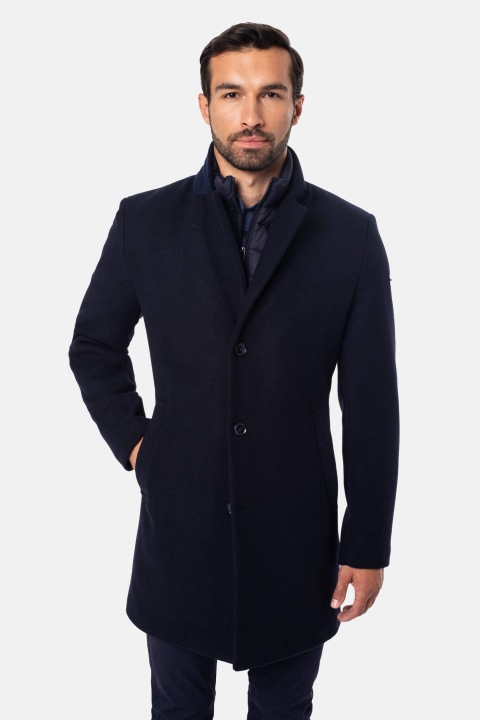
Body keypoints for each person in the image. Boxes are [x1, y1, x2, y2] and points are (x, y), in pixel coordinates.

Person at [68, 21, 400, 720]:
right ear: (204, 106)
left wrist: (368, 542)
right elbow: (94, 344)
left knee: (285, 709)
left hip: (297, 535)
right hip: (179, 524)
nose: (251, 114)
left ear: (297, 106)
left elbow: (371, 401)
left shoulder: (350, 236)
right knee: (177, 709)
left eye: (270, 94)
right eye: (231, 94)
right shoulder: (145, 222)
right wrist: (139, 445)